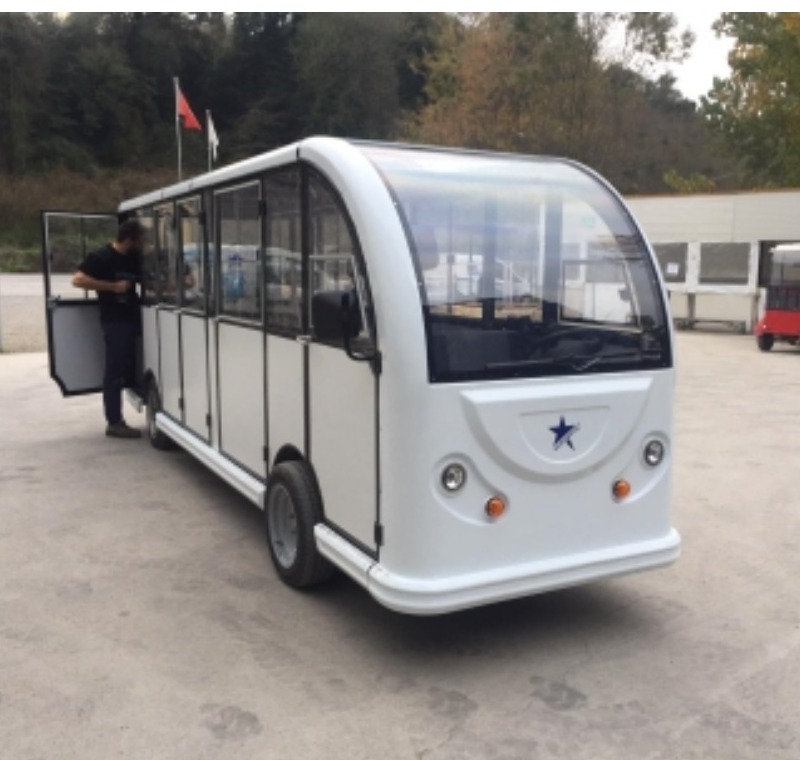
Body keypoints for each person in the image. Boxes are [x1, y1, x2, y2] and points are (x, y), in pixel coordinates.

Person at [72, 218, 144, 439]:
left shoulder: (133, 257)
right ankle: (114, 422)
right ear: (130, 239)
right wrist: (112, 287)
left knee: (133, 364)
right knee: (115, 371)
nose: (142, 244)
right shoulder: (102, 257)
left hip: (135, 317)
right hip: (115, 321)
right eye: (140, 240)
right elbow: (78, 280)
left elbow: (146, 280)